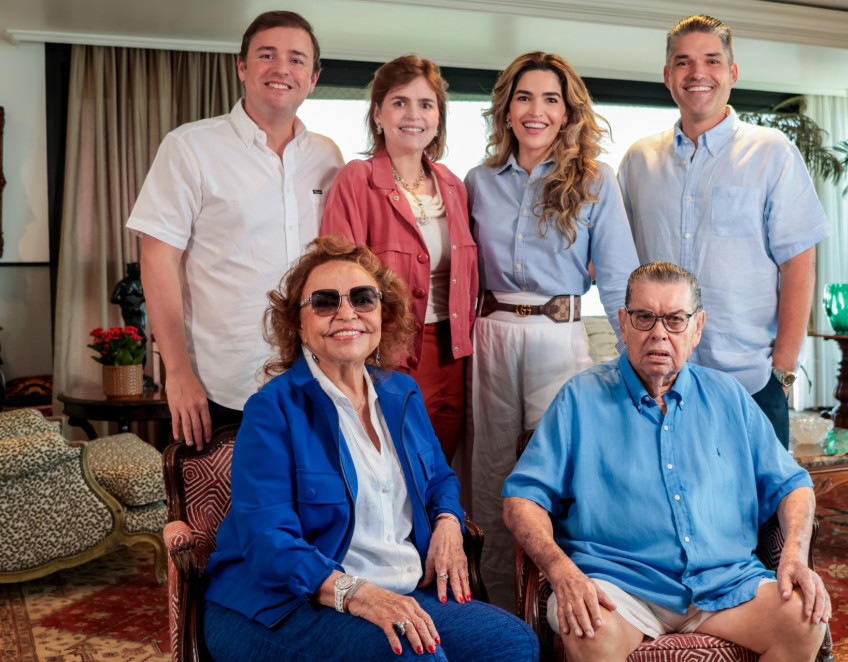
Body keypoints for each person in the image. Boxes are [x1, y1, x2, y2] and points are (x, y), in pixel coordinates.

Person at [203, 236, 538, 662]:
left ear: (384, 313)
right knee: (415, 656)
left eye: (363, 298)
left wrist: (450, 521)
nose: (347, 313)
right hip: (280, 605)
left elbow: (439, 479)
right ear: (298, 325)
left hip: (397, 590)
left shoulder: (402, 393)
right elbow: (267, 540)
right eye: (324, 302)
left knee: (513, 642)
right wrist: (358, 594)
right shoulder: (272, 409)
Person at [504, 262, 830, 662]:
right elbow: (521, 500)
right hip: (619, 588)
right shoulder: (579, 400)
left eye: (675, 319)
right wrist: (562, 572)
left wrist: (795, 556)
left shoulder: (729, 396)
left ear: (697, 328)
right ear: (623, 324)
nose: (659, 332)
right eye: (644, 317)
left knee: (804, 620)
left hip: (725, 584)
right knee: (589, 631)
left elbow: (792, 484)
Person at [464, 51, 639, 610]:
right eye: (523, 97)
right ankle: (496, 610)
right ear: (506, 109)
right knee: (489, 476)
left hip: (558, 339)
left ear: (567, 112)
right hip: (489, 334)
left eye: (550, 99)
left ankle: (556, 606)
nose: (536, 110)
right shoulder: (478, 180)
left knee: (558, 477)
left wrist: (636, 363)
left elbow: (617, 282)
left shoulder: (595, 182)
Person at [126, 11, 345, 450]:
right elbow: (158, 258)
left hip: (318, 378)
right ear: (242, 67)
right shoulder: (190, 147)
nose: (282, 68)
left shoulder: (328, 156)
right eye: (267, 55)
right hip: (225, 386)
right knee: (229, 516)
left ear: (313, 78)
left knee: (318, 515)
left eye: (297, 59)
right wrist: (178, 374)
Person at [617, 14, 829, 449]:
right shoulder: (638, 162)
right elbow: (613, 259)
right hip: (654, 383)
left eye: (712, 61)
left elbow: (799, 263)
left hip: (750, 384)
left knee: (760, 515)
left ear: (732, 73)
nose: (697, 73)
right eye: (683, 62)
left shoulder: (773, 153)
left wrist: (782, 375)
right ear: (667, 76)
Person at [321, 55, 477, 463]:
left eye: (426, 104)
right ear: (378, 113)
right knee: (391, 475)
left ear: (439, 119)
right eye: (399, 102)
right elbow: (337, 279)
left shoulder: (454, 187)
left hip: (453, 356)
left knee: (439, 477)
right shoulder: (356, 179)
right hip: (386, 355)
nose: (414, 114)